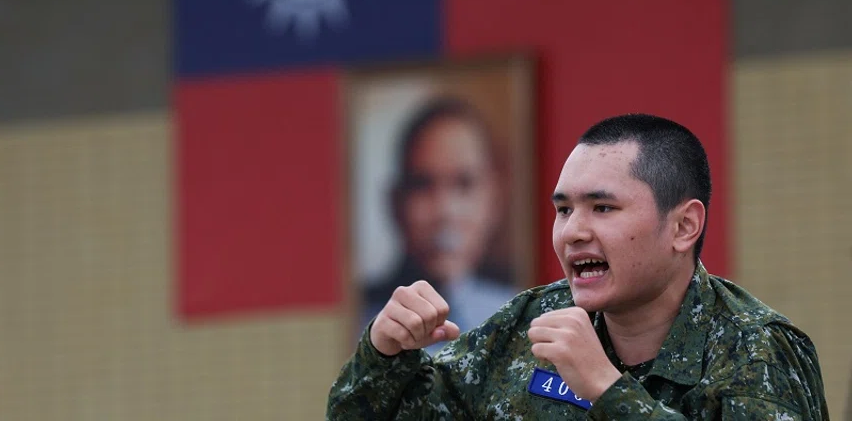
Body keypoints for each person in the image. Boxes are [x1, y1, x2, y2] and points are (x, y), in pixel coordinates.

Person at [328, 113, 830, 419]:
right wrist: (384, 352)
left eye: (603, 208)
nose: (572, 232)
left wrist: (608, 390)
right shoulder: (527, 325)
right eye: (564, 209)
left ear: (683, 226)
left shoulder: (757, 349)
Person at [358, 96, 517, 354]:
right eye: (422, 185)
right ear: (395, 204)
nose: (445, 211)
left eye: (464, 184)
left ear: (494, 199)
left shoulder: (523, 319)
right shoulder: (366, 327)